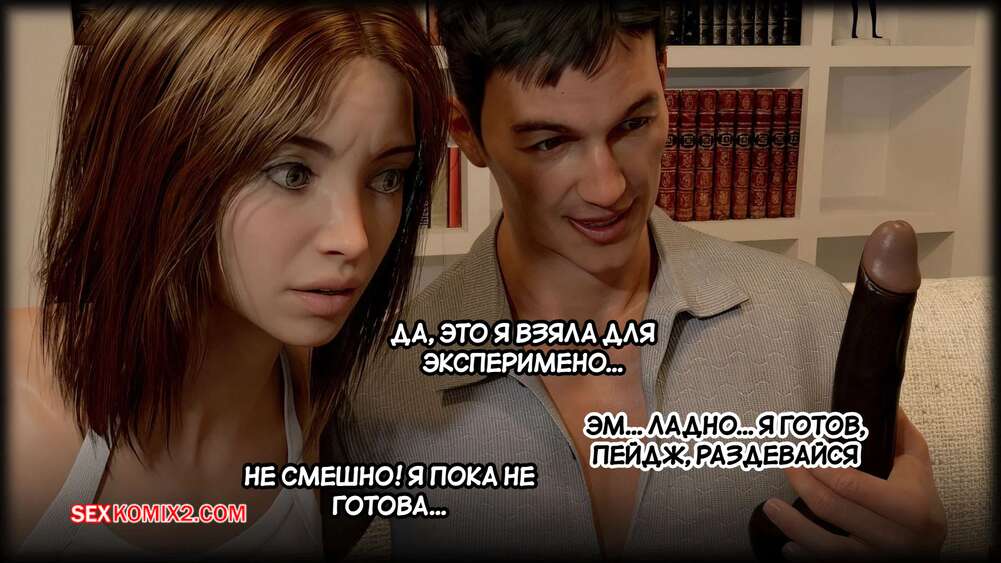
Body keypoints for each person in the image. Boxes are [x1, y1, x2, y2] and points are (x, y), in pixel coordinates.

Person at [328, 1, 945, 560]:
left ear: (664, 80)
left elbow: (881, 503)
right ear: (467, 133)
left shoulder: (811, 318)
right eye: (549, 142)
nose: (609, 188)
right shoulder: (376, 372)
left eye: (632, 124)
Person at [8, 4, 447, 559]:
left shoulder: (314, 403)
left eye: (386, 177)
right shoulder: (19, 408)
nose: (354, 238)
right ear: (158, 163)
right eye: (292, 173)